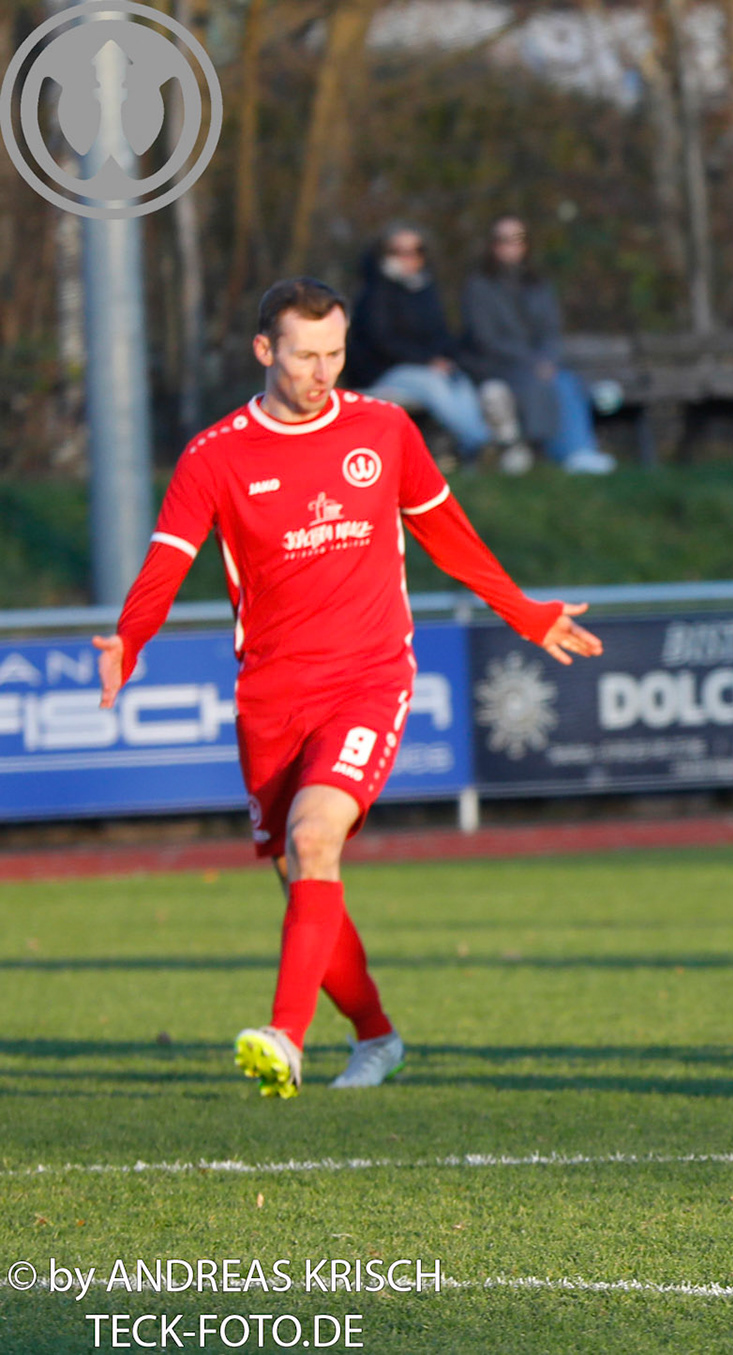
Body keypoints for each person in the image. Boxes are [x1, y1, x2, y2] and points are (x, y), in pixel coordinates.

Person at [94, 278, 604, 1099]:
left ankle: (284, 1036)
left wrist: (525, 612)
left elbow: (447, 535)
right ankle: (377, 1037)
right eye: (304, 355)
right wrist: (131, 635)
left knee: (315, 837)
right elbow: (166, 561)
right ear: (265, 350)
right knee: (302, 870)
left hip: (369, 675)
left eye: (334, 353)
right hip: (270, 695)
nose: (322, 372)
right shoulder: (215, 454)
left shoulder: (384, 428)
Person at [461, 215, 615, 475]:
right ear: (492, 245)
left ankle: (579, 451)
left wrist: (547, 360)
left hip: (540, 365)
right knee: (544, 383)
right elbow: (485, 339)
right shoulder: (478, 286)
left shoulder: (539, 285)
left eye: (517, 239)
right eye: (502, 239)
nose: (510, 245)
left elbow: (551, 332)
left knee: (566, 382)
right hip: (498, 365)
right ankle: (561, 452)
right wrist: (534, 362)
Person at [343, 224, 496, 467]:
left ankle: (475, 446)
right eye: (398, 251)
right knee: (433, 385)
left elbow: (441, 335)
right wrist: (427, 361)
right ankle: (479, 442)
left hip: (427, 369)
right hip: (383, 372)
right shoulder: (374, 292)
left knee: (459, 380)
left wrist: (445, 359)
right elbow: (381, 341)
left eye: (416, 251)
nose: (408, 258)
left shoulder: (426, 289)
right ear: (383, 254)